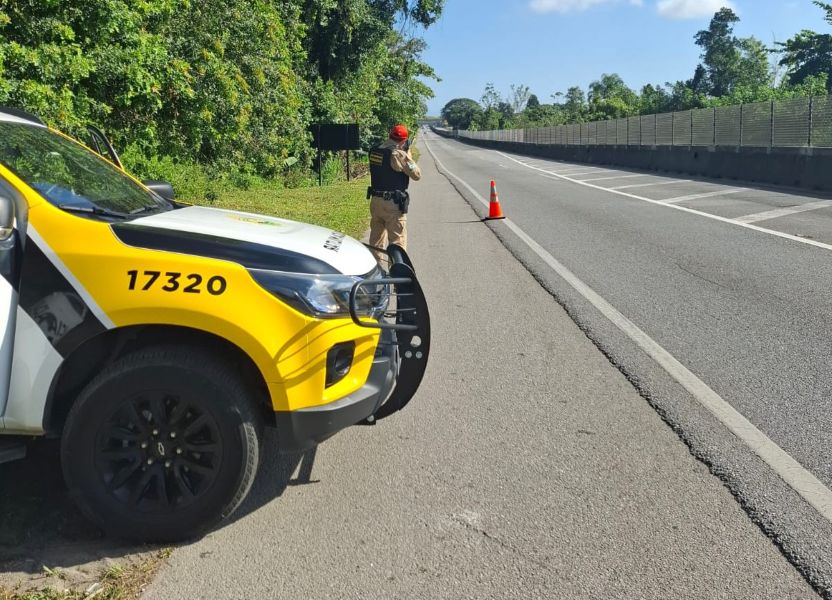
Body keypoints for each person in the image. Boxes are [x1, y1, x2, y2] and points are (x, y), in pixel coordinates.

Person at [367, 124, 421, 258]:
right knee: (397, 244)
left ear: (389, 135)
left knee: (376, 241)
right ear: (403, 141)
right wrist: (408, 155)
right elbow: (417, 175)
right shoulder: (398, 154)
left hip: (376, 201)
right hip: (392, 203)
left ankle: (376, 273)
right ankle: (397, 276)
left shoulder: (375, 150)